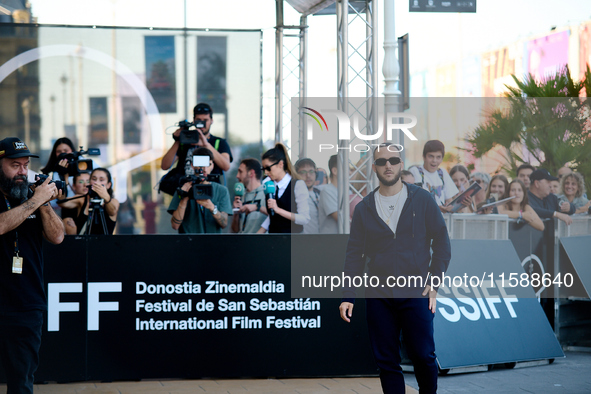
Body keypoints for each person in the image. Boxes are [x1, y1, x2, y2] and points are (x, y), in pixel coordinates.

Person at [339, 142, 451, 394]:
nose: (387, 165)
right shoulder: (364, 207)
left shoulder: (421, 199)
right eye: (381, 161)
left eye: (393, 160)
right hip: (379, 295)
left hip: (416, 292)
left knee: (423, 355)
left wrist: (434, 283)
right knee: (387, 361)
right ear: (374, 168)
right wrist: (348, 295)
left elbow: (442, 242)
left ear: (401, 164)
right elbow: (354, 254)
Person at [0, 137, 65, 394]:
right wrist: (35, 201)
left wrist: (44, 202)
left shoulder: (33, 196)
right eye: (15, 165)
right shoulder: (30, 199)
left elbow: (57, 236)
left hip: (26, 304)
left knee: (22, 381)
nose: (22, 172)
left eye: (25, 165)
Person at [161, 103, 232, 187]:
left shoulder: (219, 142)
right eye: (199, 120)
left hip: (210, 190)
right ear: (194, 121)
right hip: (186, 189)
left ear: (211, 121)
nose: (202, 124)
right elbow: (165, 166)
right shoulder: (185, 142)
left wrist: (206, 145)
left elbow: (226, 166)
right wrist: (178, 140)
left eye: (205, 120)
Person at [169, 147, 232, 234]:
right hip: (189, 243)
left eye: (208, 164)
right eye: (201, 164)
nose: (205, 169)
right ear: (192, 165)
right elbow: (175, 225)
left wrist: (212, 208)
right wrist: (184, 198)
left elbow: (224, 223)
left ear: (212, 165)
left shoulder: (221, 190)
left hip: (213, 244)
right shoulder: (183, 188)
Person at [257, 143, 309, 234]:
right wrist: (258, 234)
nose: (266, 172)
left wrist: (278, 210)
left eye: (268, 168)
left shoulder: (298, 185)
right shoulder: (269, 185)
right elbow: (272, 217)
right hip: (274, 240)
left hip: (292, 241)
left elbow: (304, 219)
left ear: (280, 164)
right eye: (263, 169)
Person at [58, 168, 120, 235]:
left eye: (101, 180)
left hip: (104, 244)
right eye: (94, 179)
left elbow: (112, 211)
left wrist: (106, 197)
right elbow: (62, 202)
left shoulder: (113, 201)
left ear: (108, 185)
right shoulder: (82, 199)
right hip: (84, 244)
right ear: (90, 182)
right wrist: (64, 180)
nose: (97, 182)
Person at [408, 140, 459, 212]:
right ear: (424, 157)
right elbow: (414, 200)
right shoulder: (415, 171)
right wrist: (437, 208)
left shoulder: (442, 173)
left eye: (438, 157)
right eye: (431, 156)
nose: (434, 160)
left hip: (440, 220)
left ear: (442, 159)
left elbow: (449, 201)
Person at [231, 158, 268, 233]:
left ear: (251, 173)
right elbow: (235, 230)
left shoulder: (266, 194)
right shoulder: (241, 195)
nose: (237, 176)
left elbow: (277, 217)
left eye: (240, 172)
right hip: (243, 243)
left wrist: (257, 207)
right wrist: (236, 214)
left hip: (260, 242)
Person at [295, 158, 321, 234]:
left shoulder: (321, 193)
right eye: (303, 172)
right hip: (301, 240)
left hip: (320, 240)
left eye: (311, 172)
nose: (308, 176)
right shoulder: (294, 195)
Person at [318, 155, 338, 234]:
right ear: (334, 171)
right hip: (330, 241)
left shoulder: (349, 191)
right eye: (347, 168)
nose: (349, 172)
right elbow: (340, 218)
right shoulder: (327, 191)